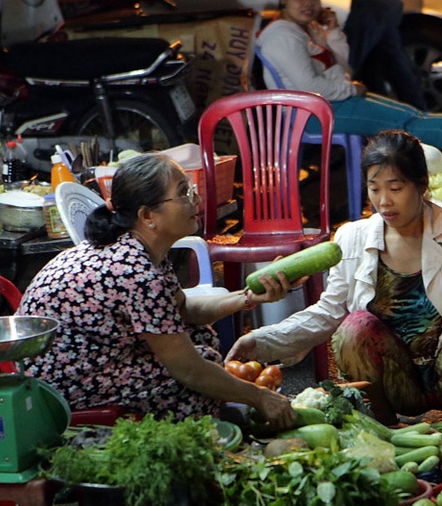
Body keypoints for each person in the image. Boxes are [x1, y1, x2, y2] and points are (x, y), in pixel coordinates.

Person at [226, 130, 442, 424]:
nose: (384, 201)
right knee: (354, 327)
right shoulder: (352, 237)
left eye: (396, 188)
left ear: (422, 185)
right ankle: (384, 421)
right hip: (389, 380)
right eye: (374, 189)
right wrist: (261, 341)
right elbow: (328, 313)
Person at [18, 153, 297, 429]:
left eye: (191, 190)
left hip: (87, 358)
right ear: (147, 215)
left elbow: (182, 311)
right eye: (183, 194)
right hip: (57, 385)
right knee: (197, 366)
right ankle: (189, 431)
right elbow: (187, 370)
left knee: (199, 337)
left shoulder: (141, 250)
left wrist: (246, 297)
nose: (196, 200)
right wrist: (259, 397)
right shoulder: (134, 272)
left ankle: (208, 416)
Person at [257, 0, 442, 152]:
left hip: (331, 103)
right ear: (283, 3)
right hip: (311, 114)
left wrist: (332, 32)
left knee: (409, 114)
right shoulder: (283, 35)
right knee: (403, 124)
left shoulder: (307, 30)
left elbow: (345, 68)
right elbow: (311, 88)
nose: (308, 4)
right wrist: (352, 90)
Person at [341, 0, 428, 110]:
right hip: (385, 5)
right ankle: (417, 110)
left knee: (347, 62)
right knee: (385, 63)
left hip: (371, 6)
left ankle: (335, 109)